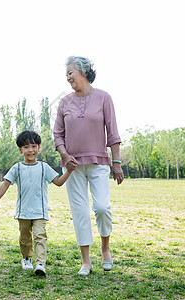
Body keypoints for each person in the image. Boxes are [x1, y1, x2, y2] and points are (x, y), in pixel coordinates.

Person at [53, 56, 124, 276]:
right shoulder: (64, 102)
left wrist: (117, 162)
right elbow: (57, 134)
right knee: (80, 212)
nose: (67, 78)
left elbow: (112, 133)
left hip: (99, 163)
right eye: (66, 74)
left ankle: (105, 248)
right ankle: (85, 261)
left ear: (83, 72)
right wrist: (65, 156)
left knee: (102, 207)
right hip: (72, 166)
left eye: (70, 73)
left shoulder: (104, 98)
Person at [0, 130, 73, 276]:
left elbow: (58, 182)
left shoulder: (43, 167)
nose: (30, 150)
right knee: (25, 238)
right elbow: (5, 185)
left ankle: (40, 263)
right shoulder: (17, 168)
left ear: (39, 148)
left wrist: (69, 171)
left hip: (40, 211)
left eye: (34, 146)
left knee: (40, 236)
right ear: (20, 150)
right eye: (26, 147)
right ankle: (26, 258)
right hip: (23, 212)